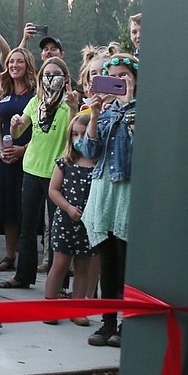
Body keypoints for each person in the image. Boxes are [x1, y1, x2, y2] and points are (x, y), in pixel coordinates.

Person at [77, 54, 139, 348]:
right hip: (103, 190)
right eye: (113, 77)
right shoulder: (104, 111)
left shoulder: (140, 110)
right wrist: (94, 114)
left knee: (127, 258)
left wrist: (128, 107)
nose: (120, 82)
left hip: (127, 190)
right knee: (107, 260)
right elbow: (89, 151)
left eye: (125, 76)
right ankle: (108, 321)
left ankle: (128, 321)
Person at [0, 56, 77, 290]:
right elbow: (21, 126)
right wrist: (14, 124)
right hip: (32, 168)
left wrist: (74, 108)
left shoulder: (68, 104)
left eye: (55, 74)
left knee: (56, 228)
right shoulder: (36, 102)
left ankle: (59, 283)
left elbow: (75, 133)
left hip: (57, 172)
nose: (50, 79)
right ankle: (23, 275)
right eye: (46, 74)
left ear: (65, 79)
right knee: (28, 226)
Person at [42, 113, 97, 327]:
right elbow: (54, 190)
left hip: (88, 224)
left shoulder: (98, 163)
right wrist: (68, 208)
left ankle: (77, 309)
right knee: (60, 264)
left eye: (84, 134)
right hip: (65, 221)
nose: (79, 138)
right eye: (75, 134)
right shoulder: (65, 162)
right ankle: (50, 306)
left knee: (83, 267)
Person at [0, 47, 37, 270]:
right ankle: (9, 256)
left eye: (19, 61)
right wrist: (2, 148)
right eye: (11, 61)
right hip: (6, 157)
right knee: (8, 208)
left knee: (25, 208)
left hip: (31, 157)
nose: (14, 65)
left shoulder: (37, 95)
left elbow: (42, 130)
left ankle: (26, 258)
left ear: (28, 65)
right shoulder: (1, 94)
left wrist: (24, 150)